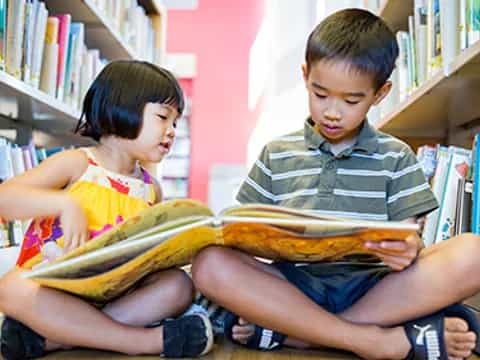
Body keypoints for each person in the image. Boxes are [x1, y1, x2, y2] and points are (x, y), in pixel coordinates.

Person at [192, 9, 480, 360]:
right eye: (320, 93)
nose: (332, 111)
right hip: (294, 286)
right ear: (305, 76)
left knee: (473, 252)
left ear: (379, 93)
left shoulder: (396, 156)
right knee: (210, 263)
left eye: (351, 100)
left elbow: (410, 240)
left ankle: (304, 334)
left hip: (375, 290)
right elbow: (246, 234)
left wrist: (406, 248)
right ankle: (370, 339)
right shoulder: (276, 153)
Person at [0, 60, 213, 359]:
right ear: (120, 107)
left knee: (178, 285)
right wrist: (64, 203)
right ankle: (143, 342)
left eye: (176, 122)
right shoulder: (77, 163)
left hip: (116, 292)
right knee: (10, 287)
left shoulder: (152, 189)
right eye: (163, 117)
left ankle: (59, 339)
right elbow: (5, 199)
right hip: (56, 289)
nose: (171, 131)